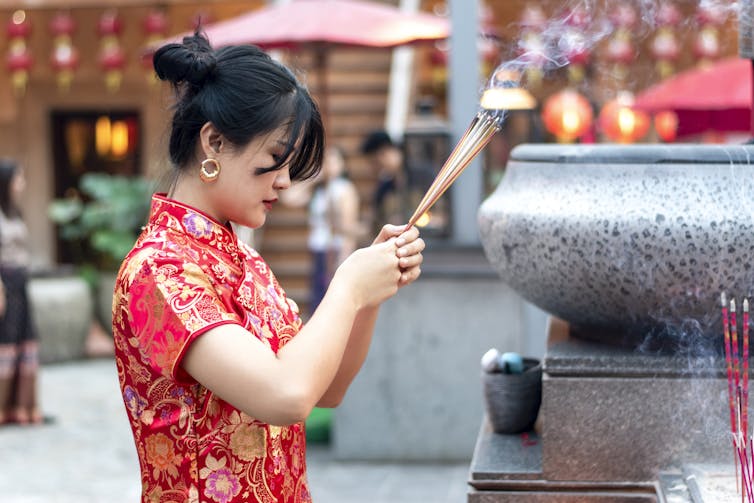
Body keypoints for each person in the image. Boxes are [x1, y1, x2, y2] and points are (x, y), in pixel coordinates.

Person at [112, 32, 424, 503]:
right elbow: (287, 395)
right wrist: (349, 288)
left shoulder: (244, 260)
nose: (285, 181)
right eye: (276, 159)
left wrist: (369, 296)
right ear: (213, 141)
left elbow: (327, 389)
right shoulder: (158, 271)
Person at [0, 159, 42, 425]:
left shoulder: (15, 212)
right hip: (5, 283)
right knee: (6, 341)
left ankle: (22, 405)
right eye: (18, 179)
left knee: (26, 339)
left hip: (21, 282)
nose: (22, 184)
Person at [307, 145, 364, 313]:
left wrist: (345, 254)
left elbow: (348, 227)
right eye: (325, 161)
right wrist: (314, 178)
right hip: (318, 246)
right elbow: (291, 197)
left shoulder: (345, 189)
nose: (329, 164)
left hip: (335, 247)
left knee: (330, 297)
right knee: (317, 294)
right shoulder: (319, 189)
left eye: (333, 160)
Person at [360, 130, 405, 234]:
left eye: (374, 162)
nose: (373, 168)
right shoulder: (383, 188)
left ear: (385, 153)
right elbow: (376, 224)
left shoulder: (423, 176)